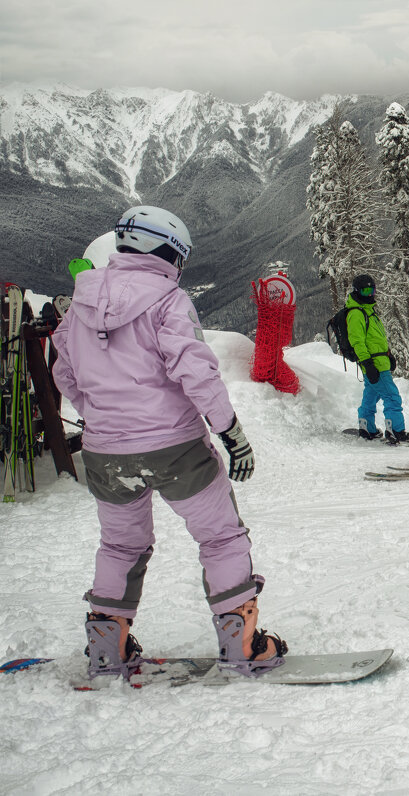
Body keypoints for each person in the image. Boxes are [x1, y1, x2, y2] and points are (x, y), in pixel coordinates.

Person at [51, 205, 286, 681]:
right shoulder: (168, 300)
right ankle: (242, 645)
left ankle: (106, 647)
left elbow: (65, 374)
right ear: (167, 252)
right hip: (177, 448)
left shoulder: (79, 306)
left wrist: (102, 416)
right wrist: (231, 434)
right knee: (220, 536)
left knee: (119, 545)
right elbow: (196, 372)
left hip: (104, 453)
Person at [346, 274, 409, 444]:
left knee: (371, 394)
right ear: (357, 291)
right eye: (365, 290)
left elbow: (377, 340)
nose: (369, 294)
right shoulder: (356, 314)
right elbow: (357, 341)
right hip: (374, 364)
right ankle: (396, 431)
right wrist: (367, 363)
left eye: (372, 290)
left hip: (380, 362)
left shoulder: (369, 312)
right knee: (392, 397)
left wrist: (389, 355)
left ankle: (367, 427)